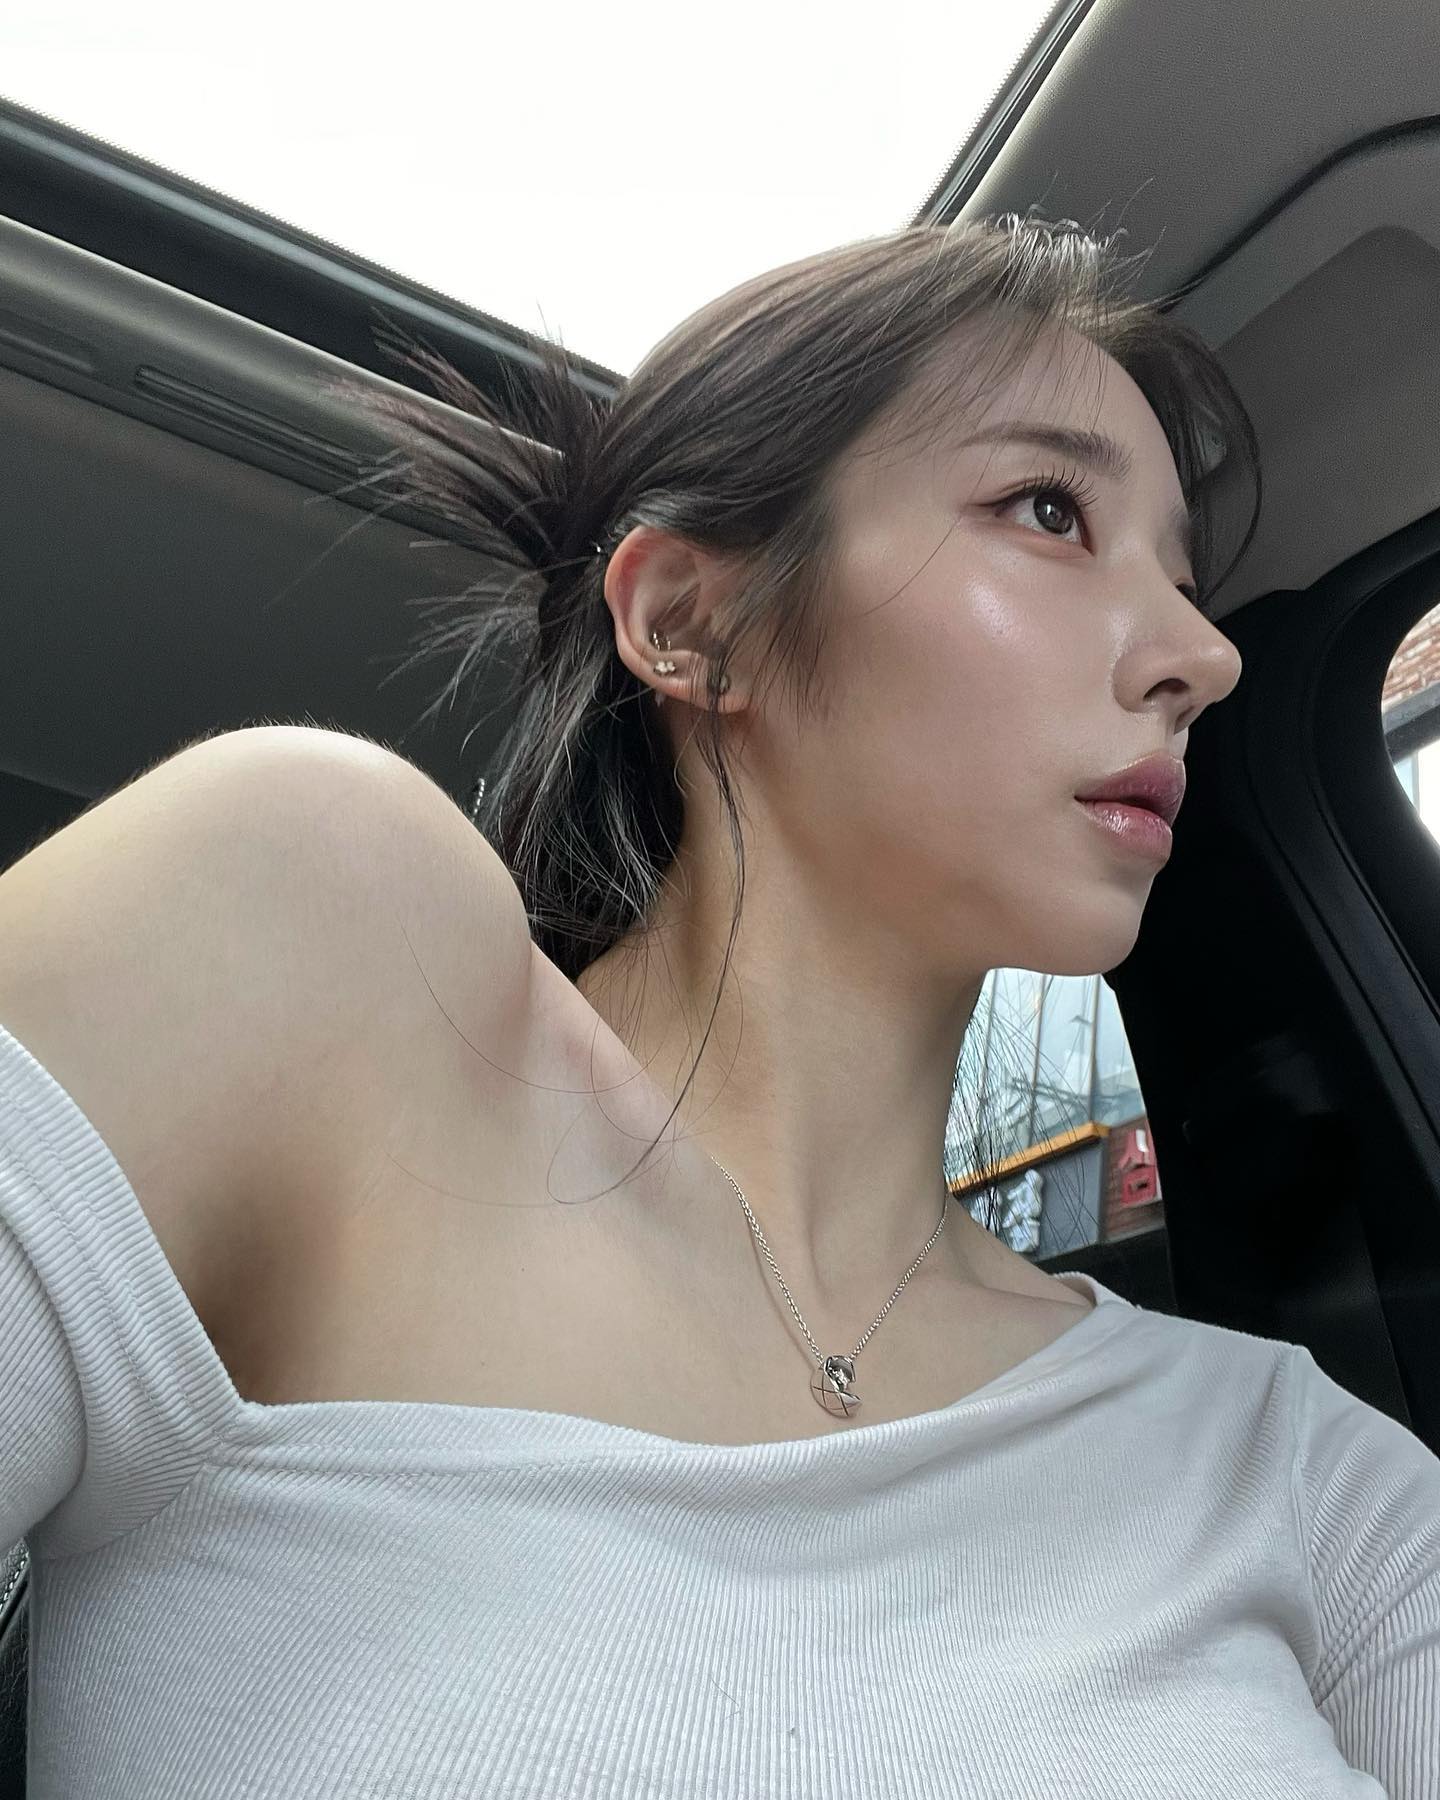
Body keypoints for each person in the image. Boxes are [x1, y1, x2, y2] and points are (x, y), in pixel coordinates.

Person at [1, 213, 1436, 1797]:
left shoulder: (1294, 1465)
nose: (1201, 656)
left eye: (1182, 575)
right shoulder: (307, 917)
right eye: (1049, 510)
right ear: (690, 621)